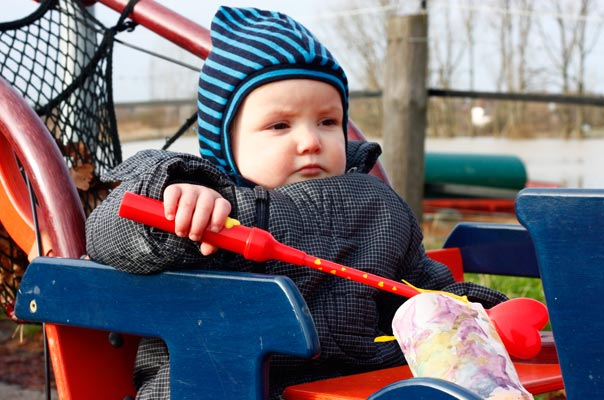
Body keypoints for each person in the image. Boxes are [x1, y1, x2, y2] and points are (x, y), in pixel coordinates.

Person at [85, 6, 507, 399]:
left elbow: (421, 286)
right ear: (225, 144)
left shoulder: (378, 207)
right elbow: (105, 233)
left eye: (328, 121)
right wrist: (174, 198)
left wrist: (481, 313)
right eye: (279, 125)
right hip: (215, 382)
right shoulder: (212, 207)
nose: (310, 141)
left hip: (352, 383)